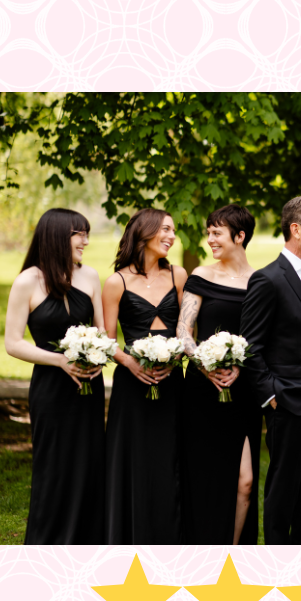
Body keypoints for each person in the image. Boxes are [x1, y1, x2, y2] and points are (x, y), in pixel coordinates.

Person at [1, 208, 105, 544]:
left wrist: (99, 359)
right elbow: (12, 343)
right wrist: (59, 360)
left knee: (89, 467)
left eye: (87, 234)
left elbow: (102, 332)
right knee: (54, 469)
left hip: (88, 387)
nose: (86, 242)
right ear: (58, 235)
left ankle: (87, 542)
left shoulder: (89, 276)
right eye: (80, 234)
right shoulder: (27, 281)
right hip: (51, 389)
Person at [239, 195, 301, 546]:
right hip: (287, 404)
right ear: (296, 229)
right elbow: (250, 346)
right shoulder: (268, 280)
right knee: (283, 492)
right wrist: (270, 395)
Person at [101, 209, 186, 544]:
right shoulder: (116, 282)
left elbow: (186, 330)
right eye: (165, 228)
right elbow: (107, 341)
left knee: (171, 460)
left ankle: (171, 534)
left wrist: (175, 356)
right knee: (134, 460)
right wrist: (131, 363)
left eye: (173, 230)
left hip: (172, 383)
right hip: (132, 387)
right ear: (144, 231)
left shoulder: (179, 275)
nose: (171, 235)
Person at [177, 204, 259, 544]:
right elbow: (184, 329)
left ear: (239, 236)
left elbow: (262, 337)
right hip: (201, 390)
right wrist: (203, 362)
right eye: (208, 232)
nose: (210, 239)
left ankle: (233, 551)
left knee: (245, 482)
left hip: (243, 391)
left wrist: (241, 365)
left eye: (217, 233)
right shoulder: (200, 276)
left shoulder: (261, 281)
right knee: (201, 477)